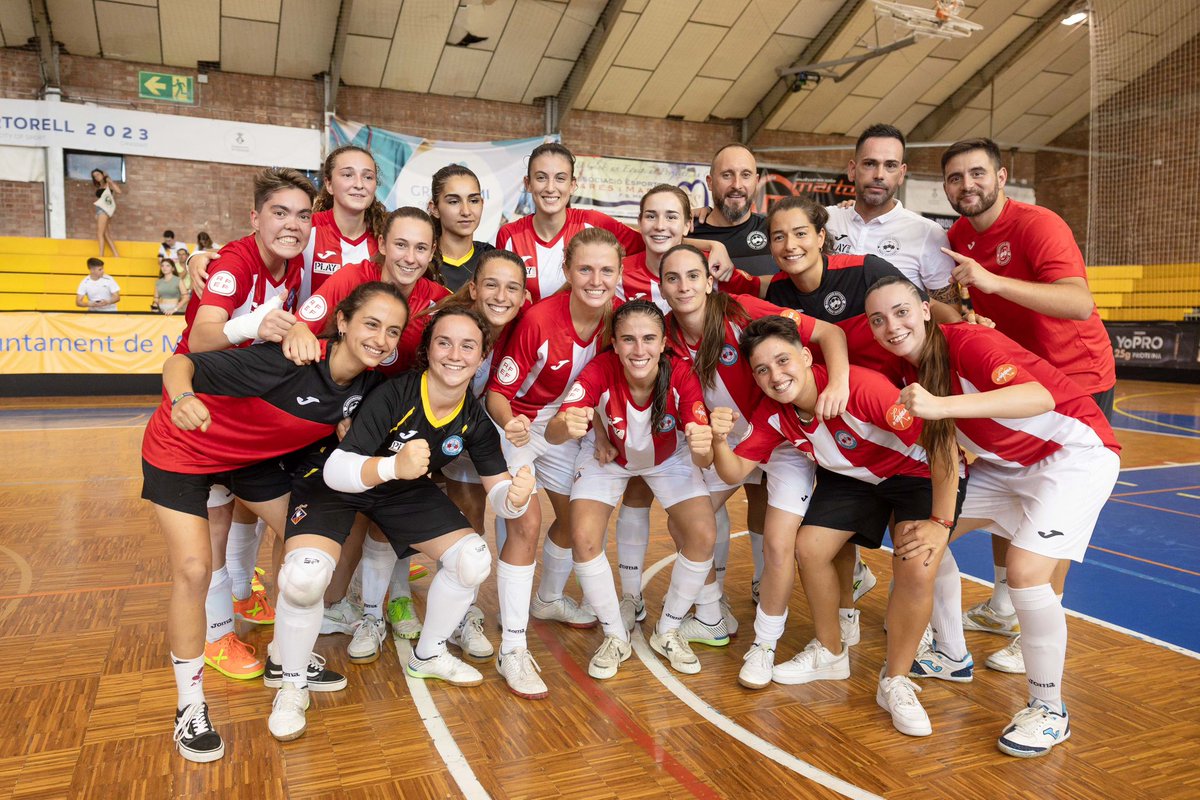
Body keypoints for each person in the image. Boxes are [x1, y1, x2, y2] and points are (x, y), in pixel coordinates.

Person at [142, 280, 407, 762]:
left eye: (392, 331)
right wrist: (182, 400)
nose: (381, 339)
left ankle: (285, 660)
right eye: (371, 324)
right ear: (342, 322)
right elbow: (180, 363)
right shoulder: (289, 360)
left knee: (305, 541)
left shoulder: (370, 387)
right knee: (194, 570)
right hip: (183, 448)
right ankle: (189, 706)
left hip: (249, 460)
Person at [864, 275, 1120, 756]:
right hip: (1006, 468)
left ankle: (1050, 710)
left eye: (901, 312)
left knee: (1024, 574)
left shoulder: (969, 342)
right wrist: (940, 523)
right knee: (918, 540)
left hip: (1074, 456)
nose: (892, 326)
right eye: (878, 320)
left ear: (925, 310)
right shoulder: (905, 369)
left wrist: (941, 405)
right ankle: (951, 652)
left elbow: (1038, 397)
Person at [267, 306, 535, 740]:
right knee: (304, 578)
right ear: (427, 350)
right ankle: (291, 686)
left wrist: (515, 498)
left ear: (482, 356)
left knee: (471, 559)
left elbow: (500, 494)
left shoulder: (474, 419)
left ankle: (429, 654)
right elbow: (337, 469)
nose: (455, 354)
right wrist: (394, 466)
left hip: (398, 486)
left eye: (468, 346)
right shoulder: (394, 394)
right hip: (337, 481)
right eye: (444, 343)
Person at [702, 314, 963, 738]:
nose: (775, 376)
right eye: (762, 370)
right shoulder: (774, 413)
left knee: (916, 564)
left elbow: (942, 442)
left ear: (806, 357)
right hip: (857, 480)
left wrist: (940, 521)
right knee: (809, 547)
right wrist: (717, 439)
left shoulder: (861, 388)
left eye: (783, 361)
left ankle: (896, 680)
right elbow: (733, 472)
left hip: (917, 473)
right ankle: (830, 651)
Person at [940, 137, 1117, 650]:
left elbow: (1078, 304)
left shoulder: (1039, 224)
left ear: (1001, 177)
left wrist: (994, 283)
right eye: (955, 177)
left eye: (977, 173)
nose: (967, 185)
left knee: (1053, 498)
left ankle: (1039, 623)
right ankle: (1003, 606)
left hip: (1077, 379)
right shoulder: (959, 233)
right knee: (1013, 482)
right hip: (1020, 378)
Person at [656, 244, 850, 676]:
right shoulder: (664, 335)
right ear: (662, 288)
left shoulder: (741, 310)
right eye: (673, 278)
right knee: (685, 521)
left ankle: (764, 644)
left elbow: (830, 334)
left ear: (710, 282)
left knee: (781, 543)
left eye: (693, 276)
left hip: (781, 439)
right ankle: (712, 615)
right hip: (729, 442)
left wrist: (839, 383)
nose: (684, 286)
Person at [288, 207, 449, 648]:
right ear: (381, 244)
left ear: (433, 251)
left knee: (392, 504)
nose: (410, 257)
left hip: (396, 420)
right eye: (401, 244)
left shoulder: (439, 298)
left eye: (421, 247)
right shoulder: (350, 278)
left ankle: (389, 598)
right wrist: (337, 405)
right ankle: (327, 601)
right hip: (339, 415)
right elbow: (301, 331)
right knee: (346, 510)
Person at [546, 300, 717, 678]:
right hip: (608, 457)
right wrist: (566, 425)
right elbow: (553, 433)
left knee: (703, 534)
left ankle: (668, 629)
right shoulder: (600, 369)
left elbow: (704, 459)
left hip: (668, 457)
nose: (639, 349)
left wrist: (704, 445)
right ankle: (614, 635)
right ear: (615, 343)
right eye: (628, 339)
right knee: (583, 537)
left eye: (648, 339)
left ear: (663, 343)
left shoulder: (681, 374)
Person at [486, 227, 626, 630]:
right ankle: (511, 626)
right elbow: (497, 393)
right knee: (524, 521)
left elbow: (599, 381)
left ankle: (548, 599)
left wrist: (601, 432)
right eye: (585, 269)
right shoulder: (539, 320)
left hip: (565, 427)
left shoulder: (615, 318)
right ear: (566, 270)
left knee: (573, 521)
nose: (596, 280)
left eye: (606, 271)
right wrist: (510, 424)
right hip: (518, 422)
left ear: (619, 274)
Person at [826, 124, 958, 307]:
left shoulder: (928, 233)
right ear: (852, 170)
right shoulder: (824, 220)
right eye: (870, 164)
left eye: (890, 165)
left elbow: (949, 311)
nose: (879, 175)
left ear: (901, 173)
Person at [691, 143, 774, 276]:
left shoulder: (773, 230)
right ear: (710, 182)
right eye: (727, 175)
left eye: (745, 175)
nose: (737, 185)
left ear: (756, 181)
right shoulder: (688, 230)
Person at [427, 164, 495, 291]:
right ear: (434, 208)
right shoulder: (421, 260)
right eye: (454, 202)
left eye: (473, 201)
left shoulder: (492, 259)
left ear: (482, 203)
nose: (466, 211)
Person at [91, 168, 121, 257]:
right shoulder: (100, 187)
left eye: (98, 174)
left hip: (104, 211)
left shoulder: (108, 183)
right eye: (94, 176)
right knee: (105, 234)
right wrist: (96, 213)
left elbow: (119, 191)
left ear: (102, 174)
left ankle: (101, 256)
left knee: (99, 233)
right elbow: (100, 200)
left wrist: (110, 180)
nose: (96, 177)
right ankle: (116, 255)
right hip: (99, 210)